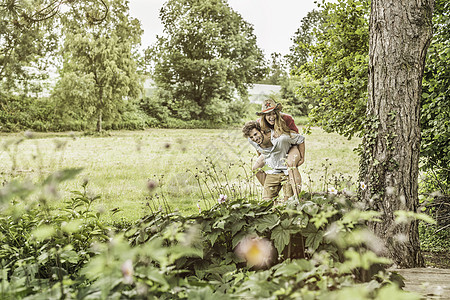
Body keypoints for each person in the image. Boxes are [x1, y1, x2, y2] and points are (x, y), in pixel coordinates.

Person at [242, 120, 305, 202]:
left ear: (261, 131)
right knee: (267, 204)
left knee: (289, 204)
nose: (254, 138)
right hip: (273, 172)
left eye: (255, 134)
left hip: (286, 172)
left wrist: (302, 157)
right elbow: (259, 149)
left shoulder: (279, 137)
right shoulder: (252, 140)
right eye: (251, 137)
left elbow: (300, 139)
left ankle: (293, 198)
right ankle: (271, 192)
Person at [254, 99, 305, 198]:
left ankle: (296, 196)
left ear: (277, 113)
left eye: (274, 114)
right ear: (264, 116)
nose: (271, 117)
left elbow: (296, 138)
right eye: (268, 115)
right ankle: (270, 191)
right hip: (274, 148)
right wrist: (262, 156)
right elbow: (258, 142)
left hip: (290, 145)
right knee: (256, 168)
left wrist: (302, 157)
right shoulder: (259, 124)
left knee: (290, 163)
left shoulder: (287, 119)